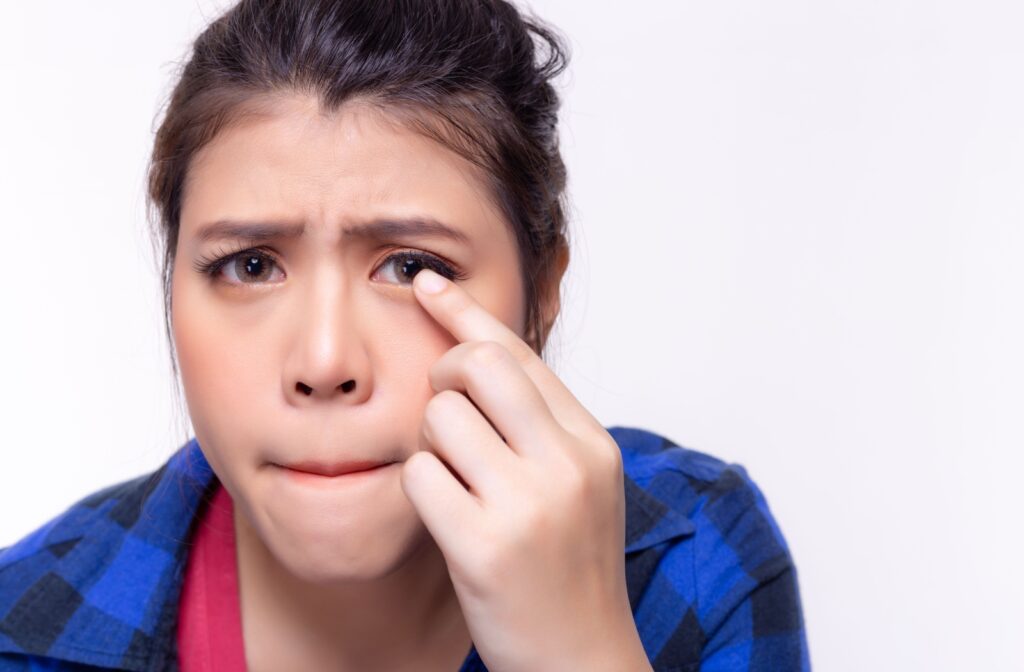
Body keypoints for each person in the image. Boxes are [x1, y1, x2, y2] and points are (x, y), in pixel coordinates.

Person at [0, 0, 810, 669]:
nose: (323, 362)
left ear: (544, 291)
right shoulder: (23, 628)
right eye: (250, 266)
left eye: (411, 266)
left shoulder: (695, 561)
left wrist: (579, 651)